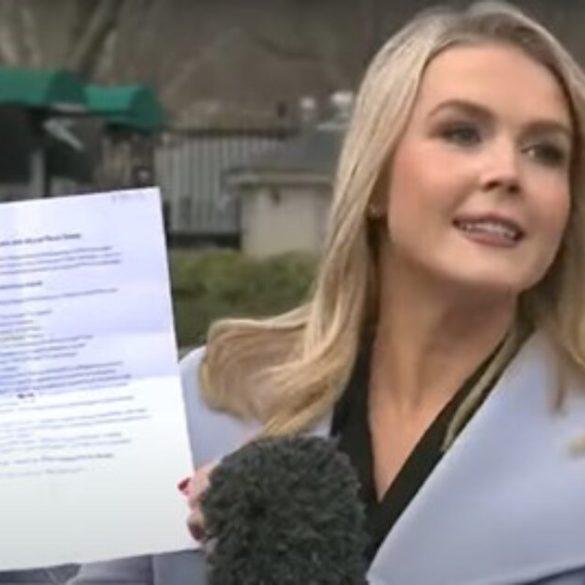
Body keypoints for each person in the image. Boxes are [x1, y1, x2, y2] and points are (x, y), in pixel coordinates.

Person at [62, 1, 585, 583]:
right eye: (462, 133)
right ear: (375, 179)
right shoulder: (208, 397)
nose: (508, 172)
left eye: (546, 151)